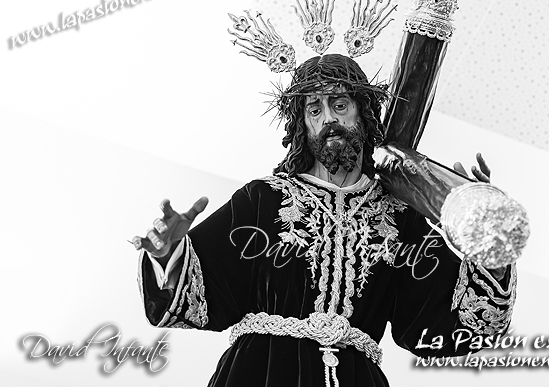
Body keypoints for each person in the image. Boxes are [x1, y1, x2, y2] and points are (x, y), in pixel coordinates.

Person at [131, 54, 516, 386]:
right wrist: (169, 255)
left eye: (339, 104)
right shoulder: (263, 198)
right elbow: (200, 296)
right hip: (260, 372)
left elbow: (450, 326)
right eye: (314, 110)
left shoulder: (401, 216)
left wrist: (485, 246)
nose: (328, 117)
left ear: (363, 113)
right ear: (303, 125)